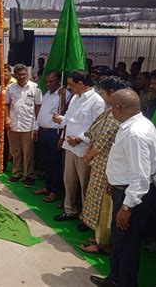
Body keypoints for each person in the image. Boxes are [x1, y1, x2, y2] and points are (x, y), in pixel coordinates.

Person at [90, 89, 156, 287]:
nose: (110, 110)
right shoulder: (136, 124)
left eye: (111, 106)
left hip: (133, 196)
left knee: (127, 243)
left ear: (118, 108)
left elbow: (140, 176)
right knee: (120, 241)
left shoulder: (135, 133)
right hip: (124, 189)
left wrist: (127, 207)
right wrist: (114, 182)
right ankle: (115, 278)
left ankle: (124, 282)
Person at [79, 77, 127, 255]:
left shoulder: (118, 113)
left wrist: (90, 153)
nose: (101, 95)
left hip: (108, 166)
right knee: (97, 201)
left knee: (104, 204)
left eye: (103, 92)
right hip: (100, 163)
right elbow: (96, 132)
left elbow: (105, 139)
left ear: (112, 93)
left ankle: (104, 243)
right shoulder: (112, 110)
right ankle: (99, 236)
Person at [52, 70, 105, 224]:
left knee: (85, 184)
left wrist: (80, 139)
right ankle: (70, 210)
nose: (69, 88)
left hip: (84, 149)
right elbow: (69, 118)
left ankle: (85, 216)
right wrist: (59, 120)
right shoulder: (75, 97)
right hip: (70, 146)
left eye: (71, 85)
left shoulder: (97, 101)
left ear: (81, 84)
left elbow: (97, 127)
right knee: (68, 180)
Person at [33, 71, 71, 202]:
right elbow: (41, 112)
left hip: (55, 133)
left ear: (59, 82)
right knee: (46, 162)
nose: (48, 84)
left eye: (51, 81)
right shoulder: (47, 94)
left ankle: (55, 191)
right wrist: (36, 127)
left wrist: (62, 97)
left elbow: (64, 114)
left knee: (55, 163)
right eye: (47, 81)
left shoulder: (65, 95)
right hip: (44, 132)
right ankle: (48, 187)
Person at [5, 63, 42, 187]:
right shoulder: (11, 88)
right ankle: (17, 173)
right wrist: (7, 118)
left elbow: (38, 107)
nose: (22, 77)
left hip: (28, 125)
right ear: (15, 75)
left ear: (27, 74)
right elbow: (6, 104)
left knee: (28, 152)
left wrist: (37, 125)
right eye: (19, 75)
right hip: (14, 124)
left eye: (24, 74)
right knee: (15, 151)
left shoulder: (35, 88)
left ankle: (29, 175)